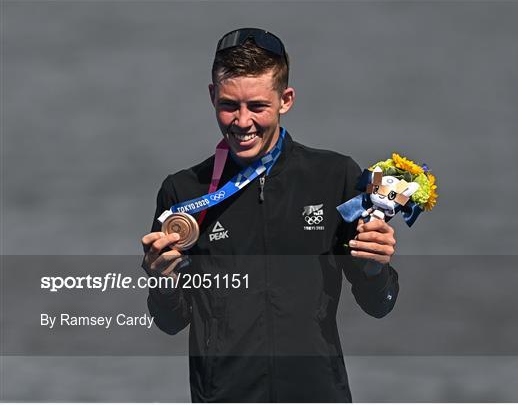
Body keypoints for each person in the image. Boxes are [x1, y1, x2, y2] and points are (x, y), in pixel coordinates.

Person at [141, 28, 399, 403]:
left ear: (285, 100)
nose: (242, 122)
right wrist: (161, 279)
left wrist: (376, 267)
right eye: (229, 105)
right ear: (212, 96)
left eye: (257, 106)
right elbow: (169, 322)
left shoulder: (334, 176)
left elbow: (380, 304)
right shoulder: (185, 193)